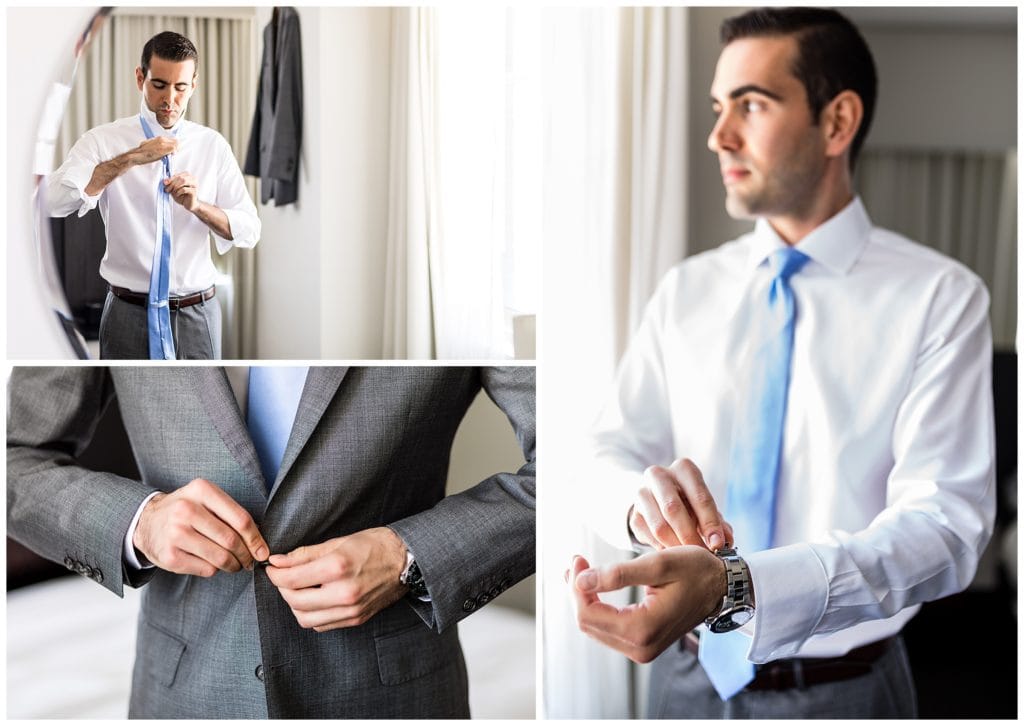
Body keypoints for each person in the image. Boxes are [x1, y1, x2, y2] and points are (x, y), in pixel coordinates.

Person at [568, 7, 994, 719]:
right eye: (717, 107)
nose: (718, 135)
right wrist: (647, 517)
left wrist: (743, 587)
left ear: (837, 122)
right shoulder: (686, 290)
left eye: (751, 105)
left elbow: (945, 526)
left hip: (845, 696)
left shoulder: (942, 300)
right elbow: (605, 451)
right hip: (681, 683)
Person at [7, 366, 535, 718]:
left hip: (394, 696)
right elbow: (14, 459)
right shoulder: (113, 231)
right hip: (181, 694)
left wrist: (407, 555)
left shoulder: (462, 243)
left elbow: (577, 471)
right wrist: (140, 523)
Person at [46, 31, 260, 360]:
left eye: (181, 88)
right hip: (125, 316)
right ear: (140, 78)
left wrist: (197, 206)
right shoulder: (103, 141)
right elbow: (53, 201)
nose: (169, 100)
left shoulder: (212, 146)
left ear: (194, 85)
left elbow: (249, 230)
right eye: (159, 85)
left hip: (197, 316)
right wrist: (127, 159)